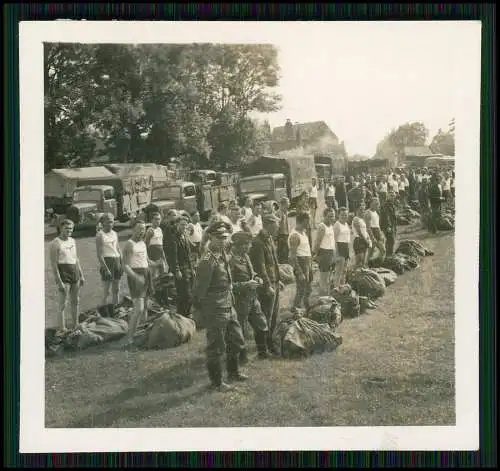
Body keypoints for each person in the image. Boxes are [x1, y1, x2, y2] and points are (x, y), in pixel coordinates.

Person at [192, 221, 247, 392]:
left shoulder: (222, 253)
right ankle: (216, 383)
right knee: (216, 346)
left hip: (228, 305)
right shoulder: (207, 261)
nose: (224, 240)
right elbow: (199, 290)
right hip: (215, 308)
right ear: (210, 238)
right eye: (219, 238)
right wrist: (200, 311)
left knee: (237, 340)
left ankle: (233, 372)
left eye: (225, 237)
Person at [229, 231, 270, 363]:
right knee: (239, 328)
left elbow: (252, 273)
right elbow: (228, 285)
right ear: (237, 245)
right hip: (239, 300)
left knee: (261, 323)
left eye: (248, 244)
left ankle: (263, 353)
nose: (249, 247)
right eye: (246, 245)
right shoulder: (230, 260)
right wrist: (246, 284)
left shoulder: (245, 257)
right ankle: (242, 357)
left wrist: (257, 278)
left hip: (252, 298)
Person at [121, 219, 160, 348]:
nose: (141, 231)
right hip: (136, 276)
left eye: (143, 229)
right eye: (138, 229)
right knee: (139, 308)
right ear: (132, 229)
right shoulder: (129, 244)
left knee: (146, 307)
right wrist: (136, 277)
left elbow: (146, 259)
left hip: (146, 274)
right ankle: (128, 339)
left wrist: (156, 264)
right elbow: (125, 266)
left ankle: (141, 333)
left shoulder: (143, 242)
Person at [249, 213, 282, 355]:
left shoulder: (269, 239)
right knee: (265, 317)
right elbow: (261, 266)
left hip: (274, 282)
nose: (278, 228)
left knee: (274, 315)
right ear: (268, 224)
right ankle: (263, 348)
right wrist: (268, 285)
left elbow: (274, 262)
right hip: (266, 285)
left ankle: (270, 342)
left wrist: (278, 279)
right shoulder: (257, 242)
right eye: (276, 225)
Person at [49, 219, 85, 331]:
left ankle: (75, 324)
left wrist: (81, 274)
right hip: (63, 273)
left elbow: (76, 258)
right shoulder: (55, 243)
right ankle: (62, 328)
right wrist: (59, 281)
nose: (69, 230)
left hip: (74, 271)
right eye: (66, 228)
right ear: (60, 228)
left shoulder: (73, 241)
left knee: (75, 301)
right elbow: (54, 265)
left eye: (71, 228)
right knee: (62, 304)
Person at [96, 213, 123, 317]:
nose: (110, 224)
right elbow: (99, 254)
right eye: (107, 222)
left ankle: (115, 309)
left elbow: (118, 248)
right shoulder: (100, 235)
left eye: (112, 221)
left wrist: (121, 262)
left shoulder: (115, 233)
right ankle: (104, 312)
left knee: (116, 289)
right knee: (106, 291)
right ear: (102, 223)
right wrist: (105, 268)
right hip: (107, 261)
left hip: (116, 261)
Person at [171, 215, 195, 318]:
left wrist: (192, 269)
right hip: (181, 269)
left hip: (188, 268)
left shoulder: (185, 236)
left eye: (185, 225)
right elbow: (173, 256)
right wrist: (177, 270)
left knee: (189, 291)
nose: (184, 227)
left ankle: (184, 313)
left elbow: (188, 255)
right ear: (176, 225)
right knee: (184, 293)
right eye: (182, 225)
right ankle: (183, 314)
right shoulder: (173, 238)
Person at [289, 212, 313, 311]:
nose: (309, 223)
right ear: (304, 221)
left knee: (308, 288)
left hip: (307, 262)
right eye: (308, 221)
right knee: (301, 289)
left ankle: (307, 307)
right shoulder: (295, 236)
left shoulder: (303, 232)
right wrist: (299, 272)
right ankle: (295, 309)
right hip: (301, 262)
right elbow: (292, 256)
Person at [313, 207, 336, 296]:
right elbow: (317, 242)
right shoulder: (322, 226)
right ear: (324, 216)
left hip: (331, 252)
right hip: (324, 253)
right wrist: (315, 254)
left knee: (329, 276)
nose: (331, 218)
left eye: (333, 216)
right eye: (329, 216)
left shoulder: (331, 226)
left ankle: (326, 294)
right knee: (324, 277)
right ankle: (323, 296)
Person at [145, 212, 167, 282]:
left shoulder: (160, 229)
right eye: (156, 219)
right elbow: (146, 244)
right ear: (152, 220)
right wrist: (148, 257)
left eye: (159, 219)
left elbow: (161, 244)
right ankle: (151, 290)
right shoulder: (150, 230)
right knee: (153, 274)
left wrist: (163, 256)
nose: (158, 221)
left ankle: (160, 290)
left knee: (162, 273)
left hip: (160, 254)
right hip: (153, 255)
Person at [333, 207, 351, 288]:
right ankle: (336, 289)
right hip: (340, 248)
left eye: (346, 215)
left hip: (346, 248)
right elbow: (334, 240)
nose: (344, 217)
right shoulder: (337, 225)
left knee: (344, 271)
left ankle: (342, 288)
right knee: (338, 272)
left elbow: (347, 239)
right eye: (342, 215)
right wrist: (336, 254)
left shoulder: (346, 224)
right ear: (338, 215)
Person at [365, 197, 386, 263]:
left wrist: (381, 234)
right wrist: (372, 238)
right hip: (372, 232)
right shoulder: (368, 213)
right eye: (375, 204)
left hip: (377, 231)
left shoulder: (376, 212)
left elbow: (377, 224)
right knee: (372, 251)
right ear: (370, 204)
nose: (377, 205)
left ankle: (377, 264)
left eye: (377, 204)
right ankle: (368, 265)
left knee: (382, 250)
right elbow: (368, 227)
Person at [352, 201, 372, 269]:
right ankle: (352, 273)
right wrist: (365, 240)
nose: (362, 211)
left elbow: (365, 231)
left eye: (363, 209)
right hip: (358, 241)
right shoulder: (355, 219)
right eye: (360, 209)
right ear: (356, 210)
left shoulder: (362, 219)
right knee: (359, 260)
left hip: (364, 240)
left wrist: (368, 239)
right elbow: (359, 232)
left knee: (363, 261)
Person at [379, 190, 398, 256]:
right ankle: (389, 255)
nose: (392, 197)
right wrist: (389, 226)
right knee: (391, 241)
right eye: (391, 196)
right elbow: (386, 217)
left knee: (392, 241)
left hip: (393, 225)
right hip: (388, 226)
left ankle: (390, 255)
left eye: (393, 196)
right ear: (387, 197)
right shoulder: (385, 205)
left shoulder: (392, 205)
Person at [275, 196, 290, 264]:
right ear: (284, 204)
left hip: (286, 234)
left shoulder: (285, 211)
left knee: (286, 251)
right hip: (281, 235)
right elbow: (277, 225)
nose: (289, 204)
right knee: (282, 252)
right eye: (288, 202)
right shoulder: (279, 213)